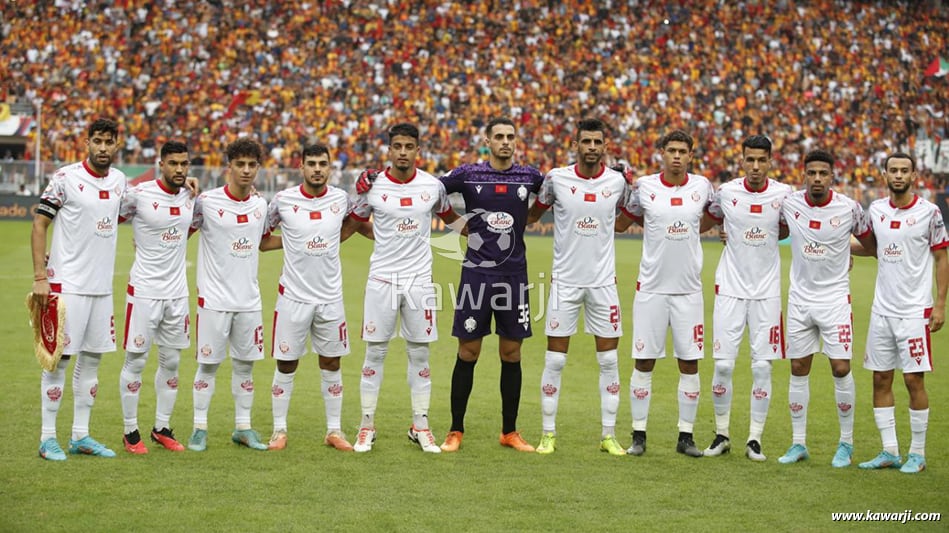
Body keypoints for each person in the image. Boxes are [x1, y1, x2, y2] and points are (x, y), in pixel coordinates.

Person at [360, 117, 542, 452]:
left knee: (512, 353)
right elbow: (429, 192)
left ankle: (510, 431)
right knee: (468, 351)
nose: (505, 142)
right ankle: (455, 430)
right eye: (498, 136)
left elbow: (552, 195)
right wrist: (372, 178)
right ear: (487, 140)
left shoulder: (530, 176)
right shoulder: (466, 175)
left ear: (516, 141)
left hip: (515, 275)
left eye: (510, 137)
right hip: (476, 275)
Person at [349, 122, 459, 453]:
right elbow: (355, 220)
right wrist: (376, 235)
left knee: (420, 353)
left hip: (419, 282)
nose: (402, 152)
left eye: (408, 146)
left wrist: (491, 231)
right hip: (382, 279)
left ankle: (421, 425)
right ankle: (366, 425)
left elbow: (452, 219)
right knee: (375, 352)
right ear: (389, 150)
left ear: (417, 150)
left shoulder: (432, 186)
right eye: (397, 146)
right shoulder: (374, 186)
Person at [526, 117, 628, 455]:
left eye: (598, 142)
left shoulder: (617, 182)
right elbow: (531, 215)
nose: (592, 148)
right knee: (555, 361)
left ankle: (609, 435)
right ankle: (548, 434)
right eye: (586, 142)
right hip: (565, 283)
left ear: (605, 146)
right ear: (576, 144)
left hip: (603, 284)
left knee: (609, 360)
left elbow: (631, 216)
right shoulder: (556, 179)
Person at [615, 129, 715, 458]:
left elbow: (713, 219)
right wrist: (616, 189)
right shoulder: (644, 187)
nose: (676, 156)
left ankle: (685, 437)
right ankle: (638, 434)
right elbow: (620, 224)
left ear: (690, 155)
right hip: (652, 289)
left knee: (690, 363)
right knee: (643, 362)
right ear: (660, 152)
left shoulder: (703, 187)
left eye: (682, 151)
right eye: (670, 150)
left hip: (688, 291)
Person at [264, 143, 368, 452]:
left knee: (331, 362)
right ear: (302, 167)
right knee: (286, 363)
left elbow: (358, 224)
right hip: (293, 298)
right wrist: (294, 242)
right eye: (312, 163)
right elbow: (261, 240)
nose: (318, 169)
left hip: (330, 298)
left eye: (323, 163)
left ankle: (333, 431)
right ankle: (279, 430)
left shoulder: (341, 198)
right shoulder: (282, 201)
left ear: (330, 168)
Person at [32, 118, 125, 460]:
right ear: (87, 143)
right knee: (58, 363)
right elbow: (40, 223)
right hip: (66, 285)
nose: (103, 147)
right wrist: (40, 276)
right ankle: (46, 439)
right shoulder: (65, 178)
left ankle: (81, 436)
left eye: (108, 141)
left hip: (101, 289)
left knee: (92, 362)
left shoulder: (119, 181)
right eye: (97, 141)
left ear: (117, 145)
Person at [777, 149, 876, 467]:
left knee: (841, 368)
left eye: (823, 173)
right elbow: (770, 230)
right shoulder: (789, 204)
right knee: (798, 368)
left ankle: (846, 444)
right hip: (799, 300)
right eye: (812, 173)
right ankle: (798, 443)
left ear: (832, 175)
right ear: (803, 174)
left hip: (835, 300)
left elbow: (872, 246)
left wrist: (846, 250)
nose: (817, 178)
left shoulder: (849, 208)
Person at [700, 135, 792, 461]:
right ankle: (722, 434)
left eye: (761, 160)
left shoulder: (785, 195)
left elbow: (799, 228)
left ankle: (755, 439)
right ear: (742, 160)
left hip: (766, 293)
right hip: (729, 289)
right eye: (749, 160)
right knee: (723, 365)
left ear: (770, 162)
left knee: (763, 368)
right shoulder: (725, 193)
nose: (755, 167)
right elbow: (699, 223)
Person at [856, 152, 947, 474]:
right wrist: (834, 249)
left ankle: (918, 454)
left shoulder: (929, 212)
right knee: (880, 379)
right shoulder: (876, 210)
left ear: (913, 176)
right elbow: (869, 248)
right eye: (892, 170)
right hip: (882, 310)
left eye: (903, 170)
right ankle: (889, 451)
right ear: (884, 174)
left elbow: (941, 258)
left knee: (913, 380)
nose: (898, 175)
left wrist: (939, 304)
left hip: (914, 311)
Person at [187, 138, 270, 452]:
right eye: (240, 164)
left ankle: (243, 428)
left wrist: (304, 243)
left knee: (245, 366)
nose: (246, 171)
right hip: (214, 300)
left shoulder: (261, 204)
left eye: (252, 165)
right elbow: (180, 231)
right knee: (208, 366)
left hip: (249, 300)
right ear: (228, 168)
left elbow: (264, 241)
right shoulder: (206, 202)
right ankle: (199, 428)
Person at [116, 140, 195, 454]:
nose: (179, 169)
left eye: (184, 164)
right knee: (135, 360)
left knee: (172, 361)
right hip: (145, 292)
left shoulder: (192, 197)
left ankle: (161, 427)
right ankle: (129, 431)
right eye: (173, 163)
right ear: (161, 164)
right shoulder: (139, 195)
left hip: (177, 294)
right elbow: (109, 219)